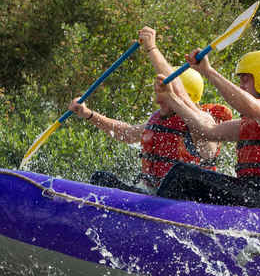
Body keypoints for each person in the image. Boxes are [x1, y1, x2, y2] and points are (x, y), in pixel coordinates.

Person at [155, 50, 260, 208]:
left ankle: (152, 218)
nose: (241, 86)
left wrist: (208, 71)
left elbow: (253, 108)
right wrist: (170, 98)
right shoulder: (254, 122)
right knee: (184, 174)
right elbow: (208, 131)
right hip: (257, 194)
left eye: (245, 79)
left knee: (183, 175)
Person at [68, 27, 231, 193]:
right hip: (151, 195)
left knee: (176, 177)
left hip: (185, 200)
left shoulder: (203, 123)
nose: (158, 100)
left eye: (165, 94)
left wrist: (152, 49)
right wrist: (88, 114)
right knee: (101, 178)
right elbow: (126, 133)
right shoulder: (160, 121)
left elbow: (179, 93)